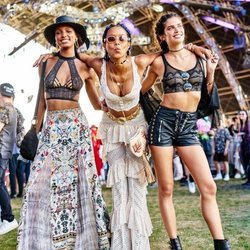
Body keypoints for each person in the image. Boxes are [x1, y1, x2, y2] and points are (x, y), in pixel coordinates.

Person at [35, 22, 211, 250]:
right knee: (119, 188)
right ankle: (120, 244)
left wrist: (195, 48)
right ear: (105, 44)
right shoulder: (98, 64)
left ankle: (139, 244)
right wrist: (48, 55)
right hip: (112, 129)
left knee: (136, 187)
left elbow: (171, 48)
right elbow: (71, 52)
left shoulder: (140, 61)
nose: (116, 43)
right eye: (111, 39)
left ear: (129, 43)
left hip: (136, 128)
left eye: (121, 39)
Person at [17, 16, 110, 250]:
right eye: (59, 32)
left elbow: (97, 103)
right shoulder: (45, 63)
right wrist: (35, 129)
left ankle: (83, 237)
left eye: (68, 31)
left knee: (82, 183)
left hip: (77, 127)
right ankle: (42, 238)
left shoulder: (85, 67)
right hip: (51, 128)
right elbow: (41, 101)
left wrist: (114, 99)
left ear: (76, 36)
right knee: (39, 180)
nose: (63, 35)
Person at [141, 12, 230, 249]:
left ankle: (221, 243)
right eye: (170, 28)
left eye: (179, 26)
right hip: (164, 123)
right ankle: (174, 242)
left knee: (208, 186)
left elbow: (208, 93)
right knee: (166, 187)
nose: (176, 30)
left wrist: (210, 71)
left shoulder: (199, 57)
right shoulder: (159, 62)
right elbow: (141, 91)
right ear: (162, 36)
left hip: (188, 126)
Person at [0, 83, 19, 235]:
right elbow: (21, 134)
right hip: (7, 152)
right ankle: (5, 217)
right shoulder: (16, 111)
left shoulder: (5, 109)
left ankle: (8, 218)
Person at [238, 110, 250, 187]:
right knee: (245, 163)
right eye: (240, 114)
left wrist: (242, 134)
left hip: (248, 146)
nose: (241, 115)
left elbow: (249, 134)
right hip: (243, 146)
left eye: (243, 114)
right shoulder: (242, 124)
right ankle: (248, 179)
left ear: (246, 115)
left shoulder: (248, 123)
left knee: (249, 163)